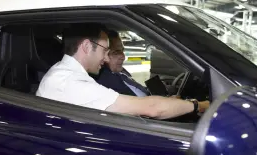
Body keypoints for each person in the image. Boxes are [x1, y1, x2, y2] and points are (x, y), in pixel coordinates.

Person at [36, 23, 209, 119]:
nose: (105, 59)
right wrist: (198, 105)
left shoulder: (64, 73)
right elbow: (152, 108)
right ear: (87, 46)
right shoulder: (70, 83)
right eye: (105, 50)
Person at [95, 30, 150, 97]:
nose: (123, 57)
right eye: (116, 52)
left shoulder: (120, 73)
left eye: (122, 51)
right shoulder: (106, 81)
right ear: (103, 54)